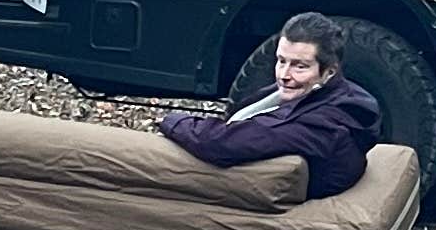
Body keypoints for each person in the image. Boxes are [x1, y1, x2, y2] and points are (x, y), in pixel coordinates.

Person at [159, 13, 381, 198]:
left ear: (329, 72)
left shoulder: (322, 124)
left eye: (300, 66)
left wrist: (171, 120)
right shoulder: (336, 95)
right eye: (281, 61)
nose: (284, 75)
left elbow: (219, 143)